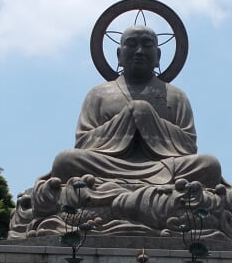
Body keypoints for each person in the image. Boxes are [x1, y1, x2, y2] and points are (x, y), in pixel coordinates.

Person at [49, 25, 221, 186]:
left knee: (208, 164)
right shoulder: (98, 94)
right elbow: (83, 142)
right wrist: (127, 118)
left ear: (158, 56)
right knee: (65, 160)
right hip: (109, 165)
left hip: (163, 166)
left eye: (147, 45)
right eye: (131, 45)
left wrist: (146, 116)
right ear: (119, 55)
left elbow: (188, 145)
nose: (139, 51)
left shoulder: (176, 95)